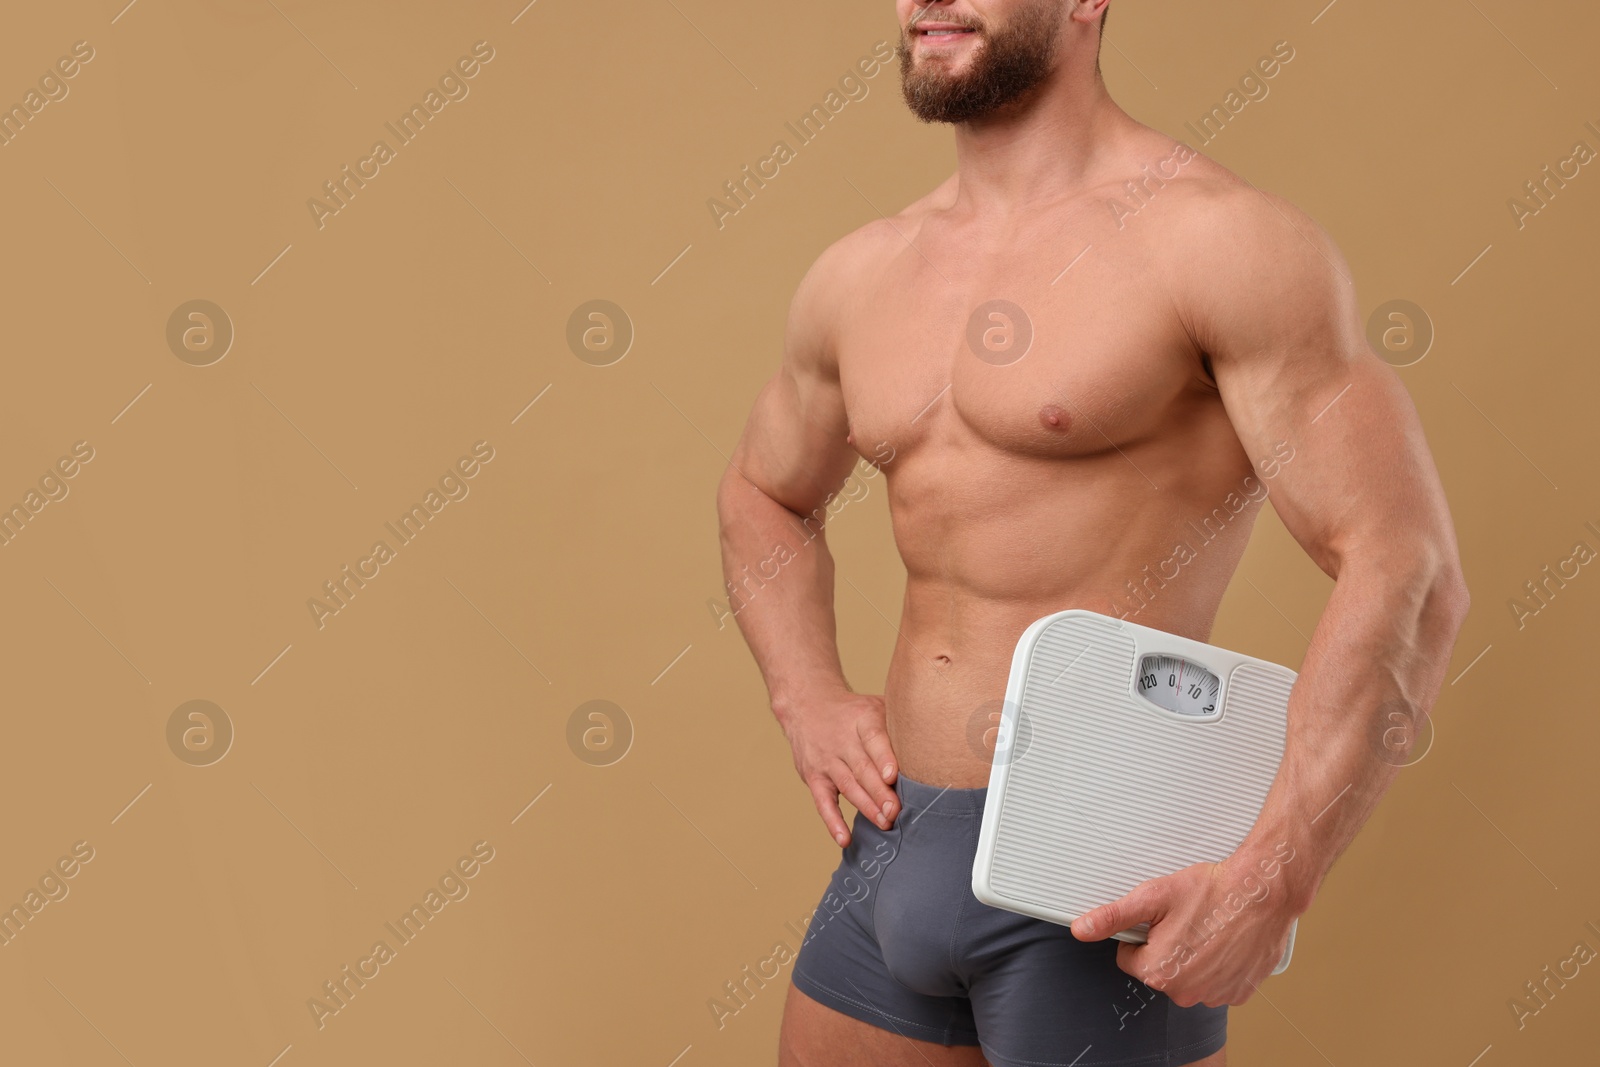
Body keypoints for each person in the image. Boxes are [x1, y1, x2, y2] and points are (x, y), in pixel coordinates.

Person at [714, 2, 1470, 1064]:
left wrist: (1277, 868)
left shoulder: (1214, 239)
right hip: (889, 848)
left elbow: (1409, 568)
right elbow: (762, 489)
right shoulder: (862, 271)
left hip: (1094, 867)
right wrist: (805, 691)